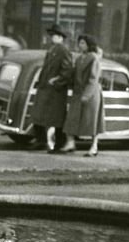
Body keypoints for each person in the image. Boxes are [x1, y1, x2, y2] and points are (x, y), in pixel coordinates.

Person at [60, 34, 105, 157]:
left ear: (89, 45)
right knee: (71, 119)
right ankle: (70, 143)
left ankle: (94, 146)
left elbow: (93, 78)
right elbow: (75, 75)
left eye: (83, 43)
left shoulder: (94, 58)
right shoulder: (80, 58)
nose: (80, 45)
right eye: (79, 43)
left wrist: (87, 94)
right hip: (78, 92)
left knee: (92, 121)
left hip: (91, 94)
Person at [30, 23, 73, 152]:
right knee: (39, 115)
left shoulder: (63, 51)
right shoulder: (52, 50)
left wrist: (57, 80)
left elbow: (67, 71)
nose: (52, 37)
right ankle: (41, 140)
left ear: (61, 38)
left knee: (56, 119)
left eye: (55, 35)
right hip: (46, 89)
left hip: (56, 91)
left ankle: (59, 144)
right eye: (52, 35)